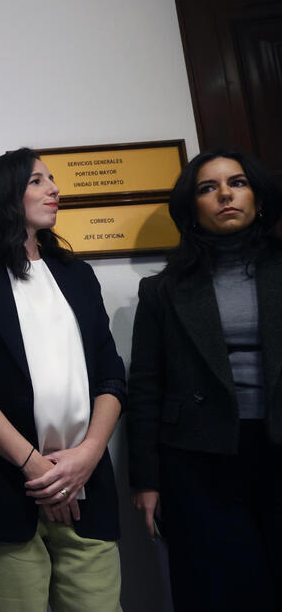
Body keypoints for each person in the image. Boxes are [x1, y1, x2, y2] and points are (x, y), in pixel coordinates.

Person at [0, 148, 125, 612]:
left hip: (85, 486)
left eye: (52, 180)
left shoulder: (77, 275)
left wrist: (88, 456)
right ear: (3, 194)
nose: (54, 189)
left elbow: (111, 374)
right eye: (37, 180)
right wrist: (33, 466)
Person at [128, 148, 282, 611]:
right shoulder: (162, 288)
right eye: (208, 188)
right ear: (192, 207)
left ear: (257, 196)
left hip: (277, 445)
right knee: (217, 589)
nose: (224, 195)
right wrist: (145, 480)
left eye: (236, 183)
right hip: (198, 459)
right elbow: (146, 386)